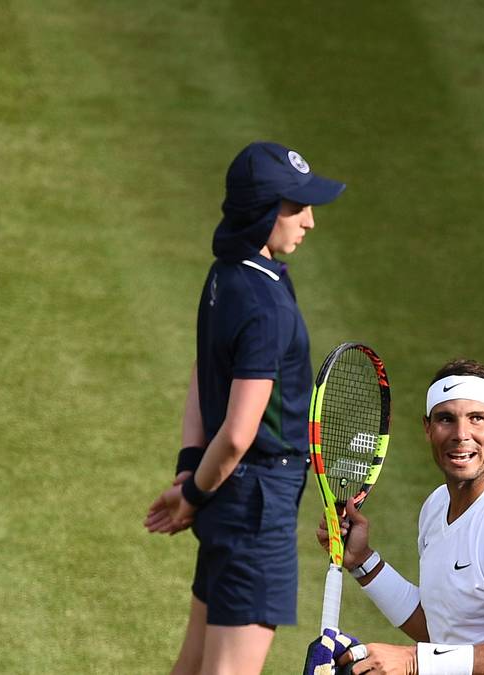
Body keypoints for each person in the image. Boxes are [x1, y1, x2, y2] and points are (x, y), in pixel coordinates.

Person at [144, 141, 345, 674]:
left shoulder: (226, 277)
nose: (309, 221)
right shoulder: (266, 303)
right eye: (296, 207)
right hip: (257, 506)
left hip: (228, 496)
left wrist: (191, 473)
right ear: (262, 209)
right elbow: (236, 434)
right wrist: (192, 492)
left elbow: (201, 374)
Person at [320, 359, 484, 675]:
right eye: (446, 419)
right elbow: (443, 630)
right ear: (428, 429)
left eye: (477, 418)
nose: (461, 434)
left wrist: (414, 661)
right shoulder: (435, 506)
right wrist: (362, 562)